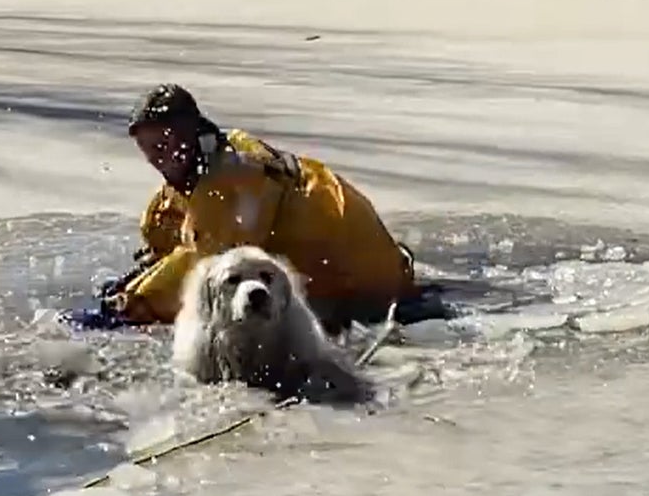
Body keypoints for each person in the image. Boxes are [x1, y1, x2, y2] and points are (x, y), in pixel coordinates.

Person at [60, 83, 437, 334]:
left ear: (194, 134)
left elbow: (205, 262)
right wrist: (139, 275)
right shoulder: (210, 165)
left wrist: (128, 307)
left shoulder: (234, 178)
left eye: (166, 144)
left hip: (365, 286)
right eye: (149, 149)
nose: (159, 159)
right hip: (361, 268)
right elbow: (169, 234)